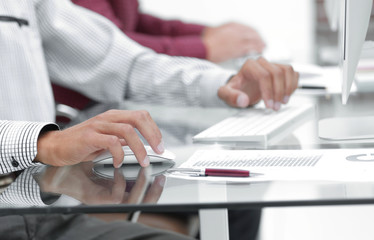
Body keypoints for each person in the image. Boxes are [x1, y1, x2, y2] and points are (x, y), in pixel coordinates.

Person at [0, 0, 297, 238]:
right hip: (24, 204)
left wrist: (223, 85)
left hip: (41, 206)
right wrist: (44, 143)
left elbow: (123, 64)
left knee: (236, 192)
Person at [72, 0, 266, 63]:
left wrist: (207, 34)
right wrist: (205, 47)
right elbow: (110, 46)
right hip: (79, 117)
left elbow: (135, 20)